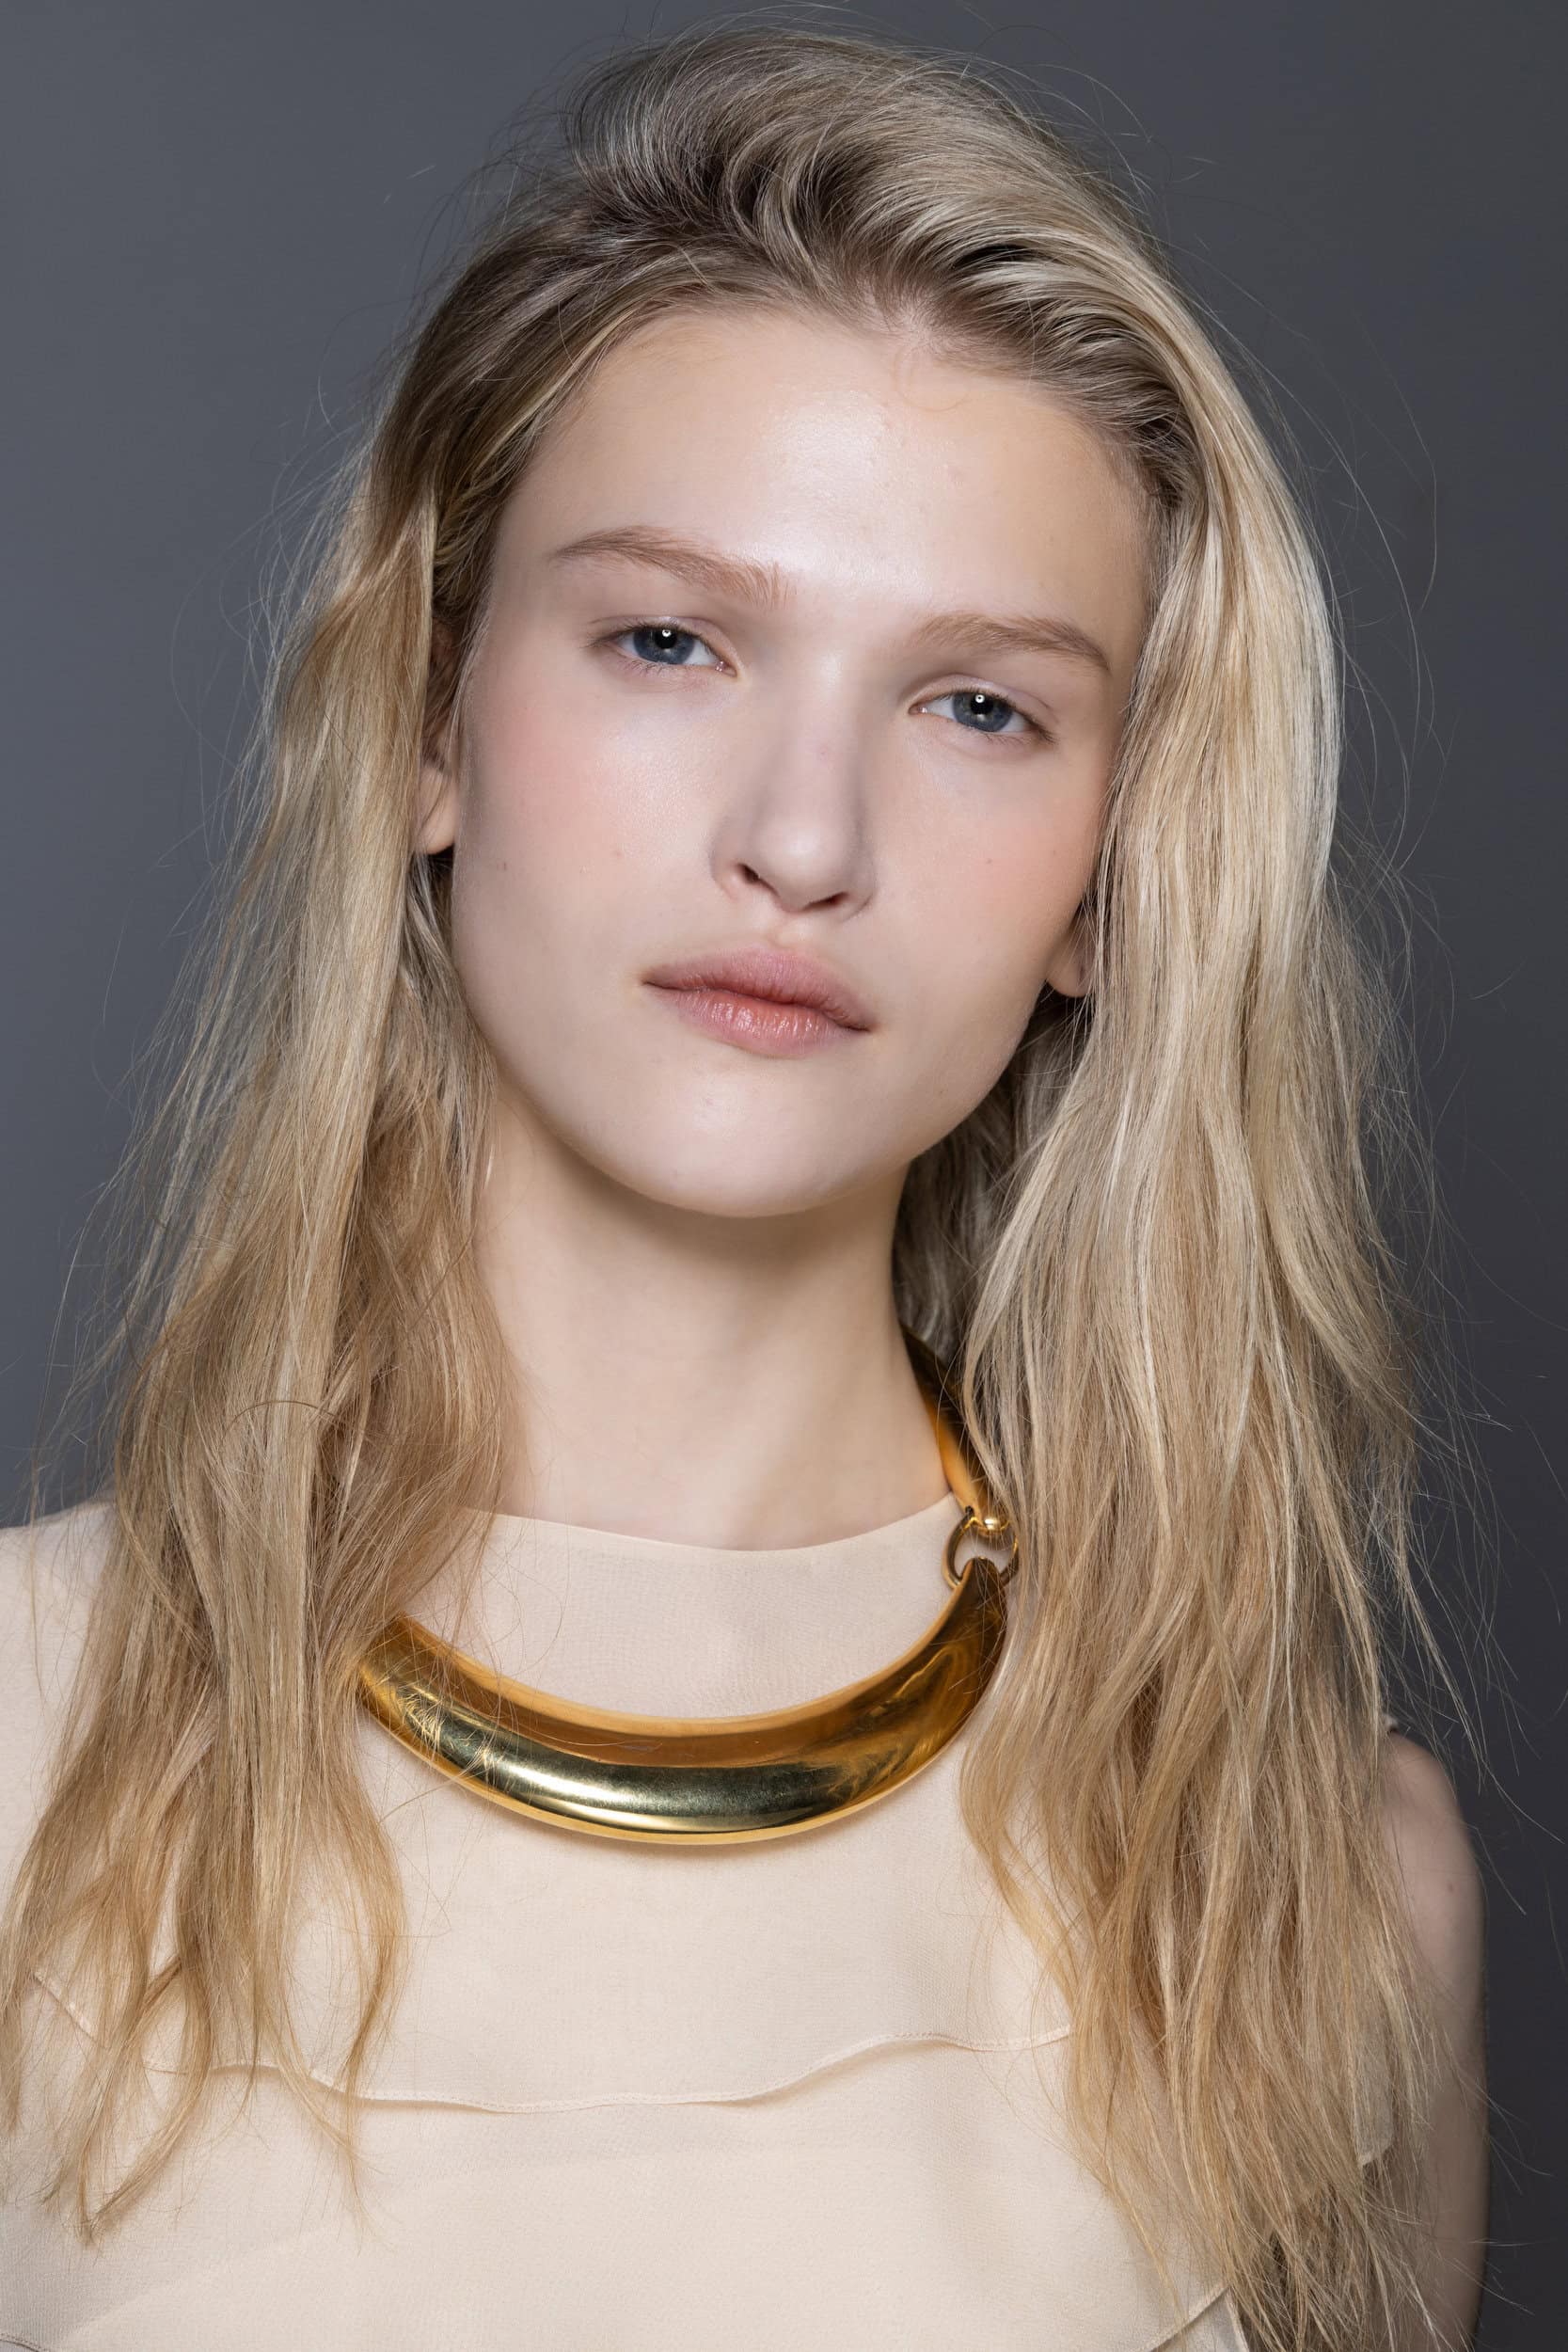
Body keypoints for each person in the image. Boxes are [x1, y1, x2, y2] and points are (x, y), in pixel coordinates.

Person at [0, 21, 1487, 2350]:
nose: (803, 838)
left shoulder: (1319, 1896)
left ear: (1112, 878)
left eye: (980, 705)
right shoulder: (21, 1759)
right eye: (670, 638)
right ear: (427, 720)